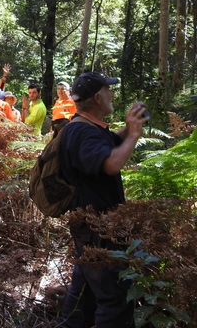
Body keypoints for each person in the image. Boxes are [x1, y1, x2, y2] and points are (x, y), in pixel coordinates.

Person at [59, 71, 147, 327]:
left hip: (92, 228)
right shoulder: (82, 133)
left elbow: (109, 143)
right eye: (108, 90)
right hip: (98, 229)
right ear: (98, 98)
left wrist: (129, 127)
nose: (112, 93)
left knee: (82, 297)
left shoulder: (87, 127)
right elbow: (110, 163)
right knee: (114, 300)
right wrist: (133, 136)